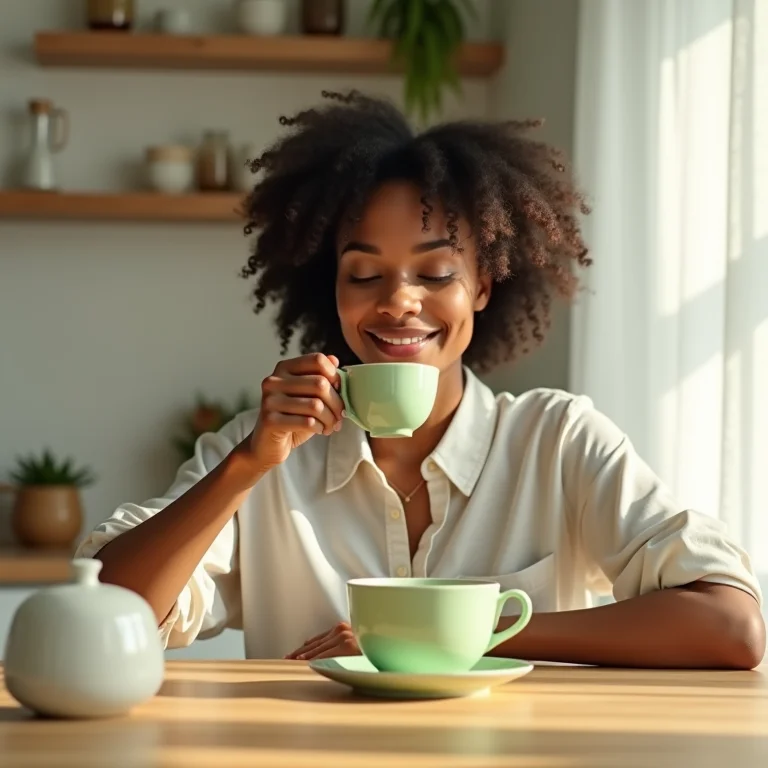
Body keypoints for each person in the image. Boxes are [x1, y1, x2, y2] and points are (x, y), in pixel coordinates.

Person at [76, 91, 764, 669]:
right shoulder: (262, 457)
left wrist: (452, 635)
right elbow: (105, 614)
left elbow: (729, 626)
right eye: (364, 274)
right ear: (332, 290)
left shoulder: (558, 441)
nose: (399, 301)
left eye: (435, 273)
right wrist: (246, 467)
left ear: (483, 286)